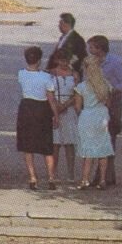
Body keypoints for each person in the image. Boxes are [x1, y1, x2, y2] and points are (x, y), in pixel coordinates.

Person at [88, 35, 122, 186]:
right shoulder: (91, 62)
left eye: (92, 47)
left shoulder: (115, 62)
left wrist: (111, 90)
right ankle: (106, 175)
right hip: (95, 103)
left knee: (109, 137)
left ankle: (103, 175)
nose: (89, 50)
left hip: (112, 104)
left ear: (100, 48)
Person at [15, 47, 57, 190]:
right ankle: (51, 178)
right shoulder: (46, 77)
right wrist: (56, 115)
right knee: (47, 146)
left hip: (26, 108)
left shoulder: (21, 74)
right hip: (42, 108)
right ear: (39, 60)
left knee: (28, 146)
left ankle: (33, 177)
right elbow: (51, 99)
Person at [73, 55, 115, 190]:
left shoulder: (81, 87)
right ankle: (102, 180)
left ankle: (85, 179)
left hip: (88, 116)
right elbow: (109, 103)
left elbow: (77, 107)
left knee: (88, 149)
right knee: (102, 147)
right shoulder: (106, 85)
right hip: (102, 115)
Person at [46, 49, 79, 181]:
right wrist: (56, 106)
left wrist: (65, 105)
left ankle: (71, 174)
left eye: (66, 60)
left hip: (69, 108)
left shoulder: (75, 74)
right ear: (56, 60)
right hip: (54, 107)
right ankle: (53, 174)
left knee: (70, 143)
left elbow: (77, 93)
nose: (64, 63)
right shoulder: (51, 74)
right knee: (55, 143)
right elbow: (48, 92)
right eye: (61, 60)